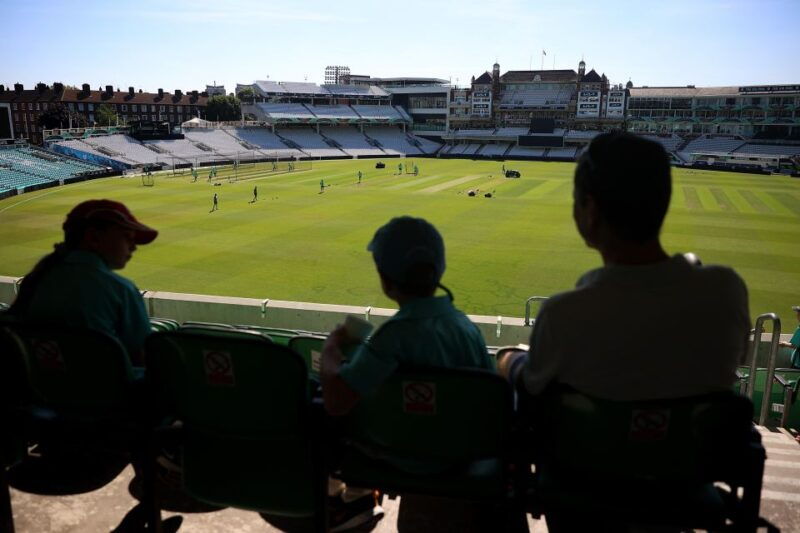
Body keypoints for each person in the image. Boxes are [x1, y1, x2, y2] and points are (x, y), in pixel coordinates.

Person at [498, 131, 751, 530]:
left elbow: (532, 389)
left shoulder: (564, 313)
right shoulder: (726, 290)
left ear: (590, 210)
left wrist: (509, 360)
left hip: (581, 494)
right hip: (681, 489)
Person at [321, 216, 496, 532]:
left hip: (400, 456)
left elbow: (336, 401)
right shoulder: (468, 329)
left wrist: (332, 349)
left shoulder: (391, 337)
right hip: (460, 456)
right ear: (438, 271)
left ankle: (348, 502)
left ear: (385, 280)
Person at [8, 200, 157, 366]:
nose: (133, 247)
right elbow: (144, 358)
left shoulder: (37, 279)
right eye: (127, 237)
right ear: (93, 237)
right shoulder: (121, 290)